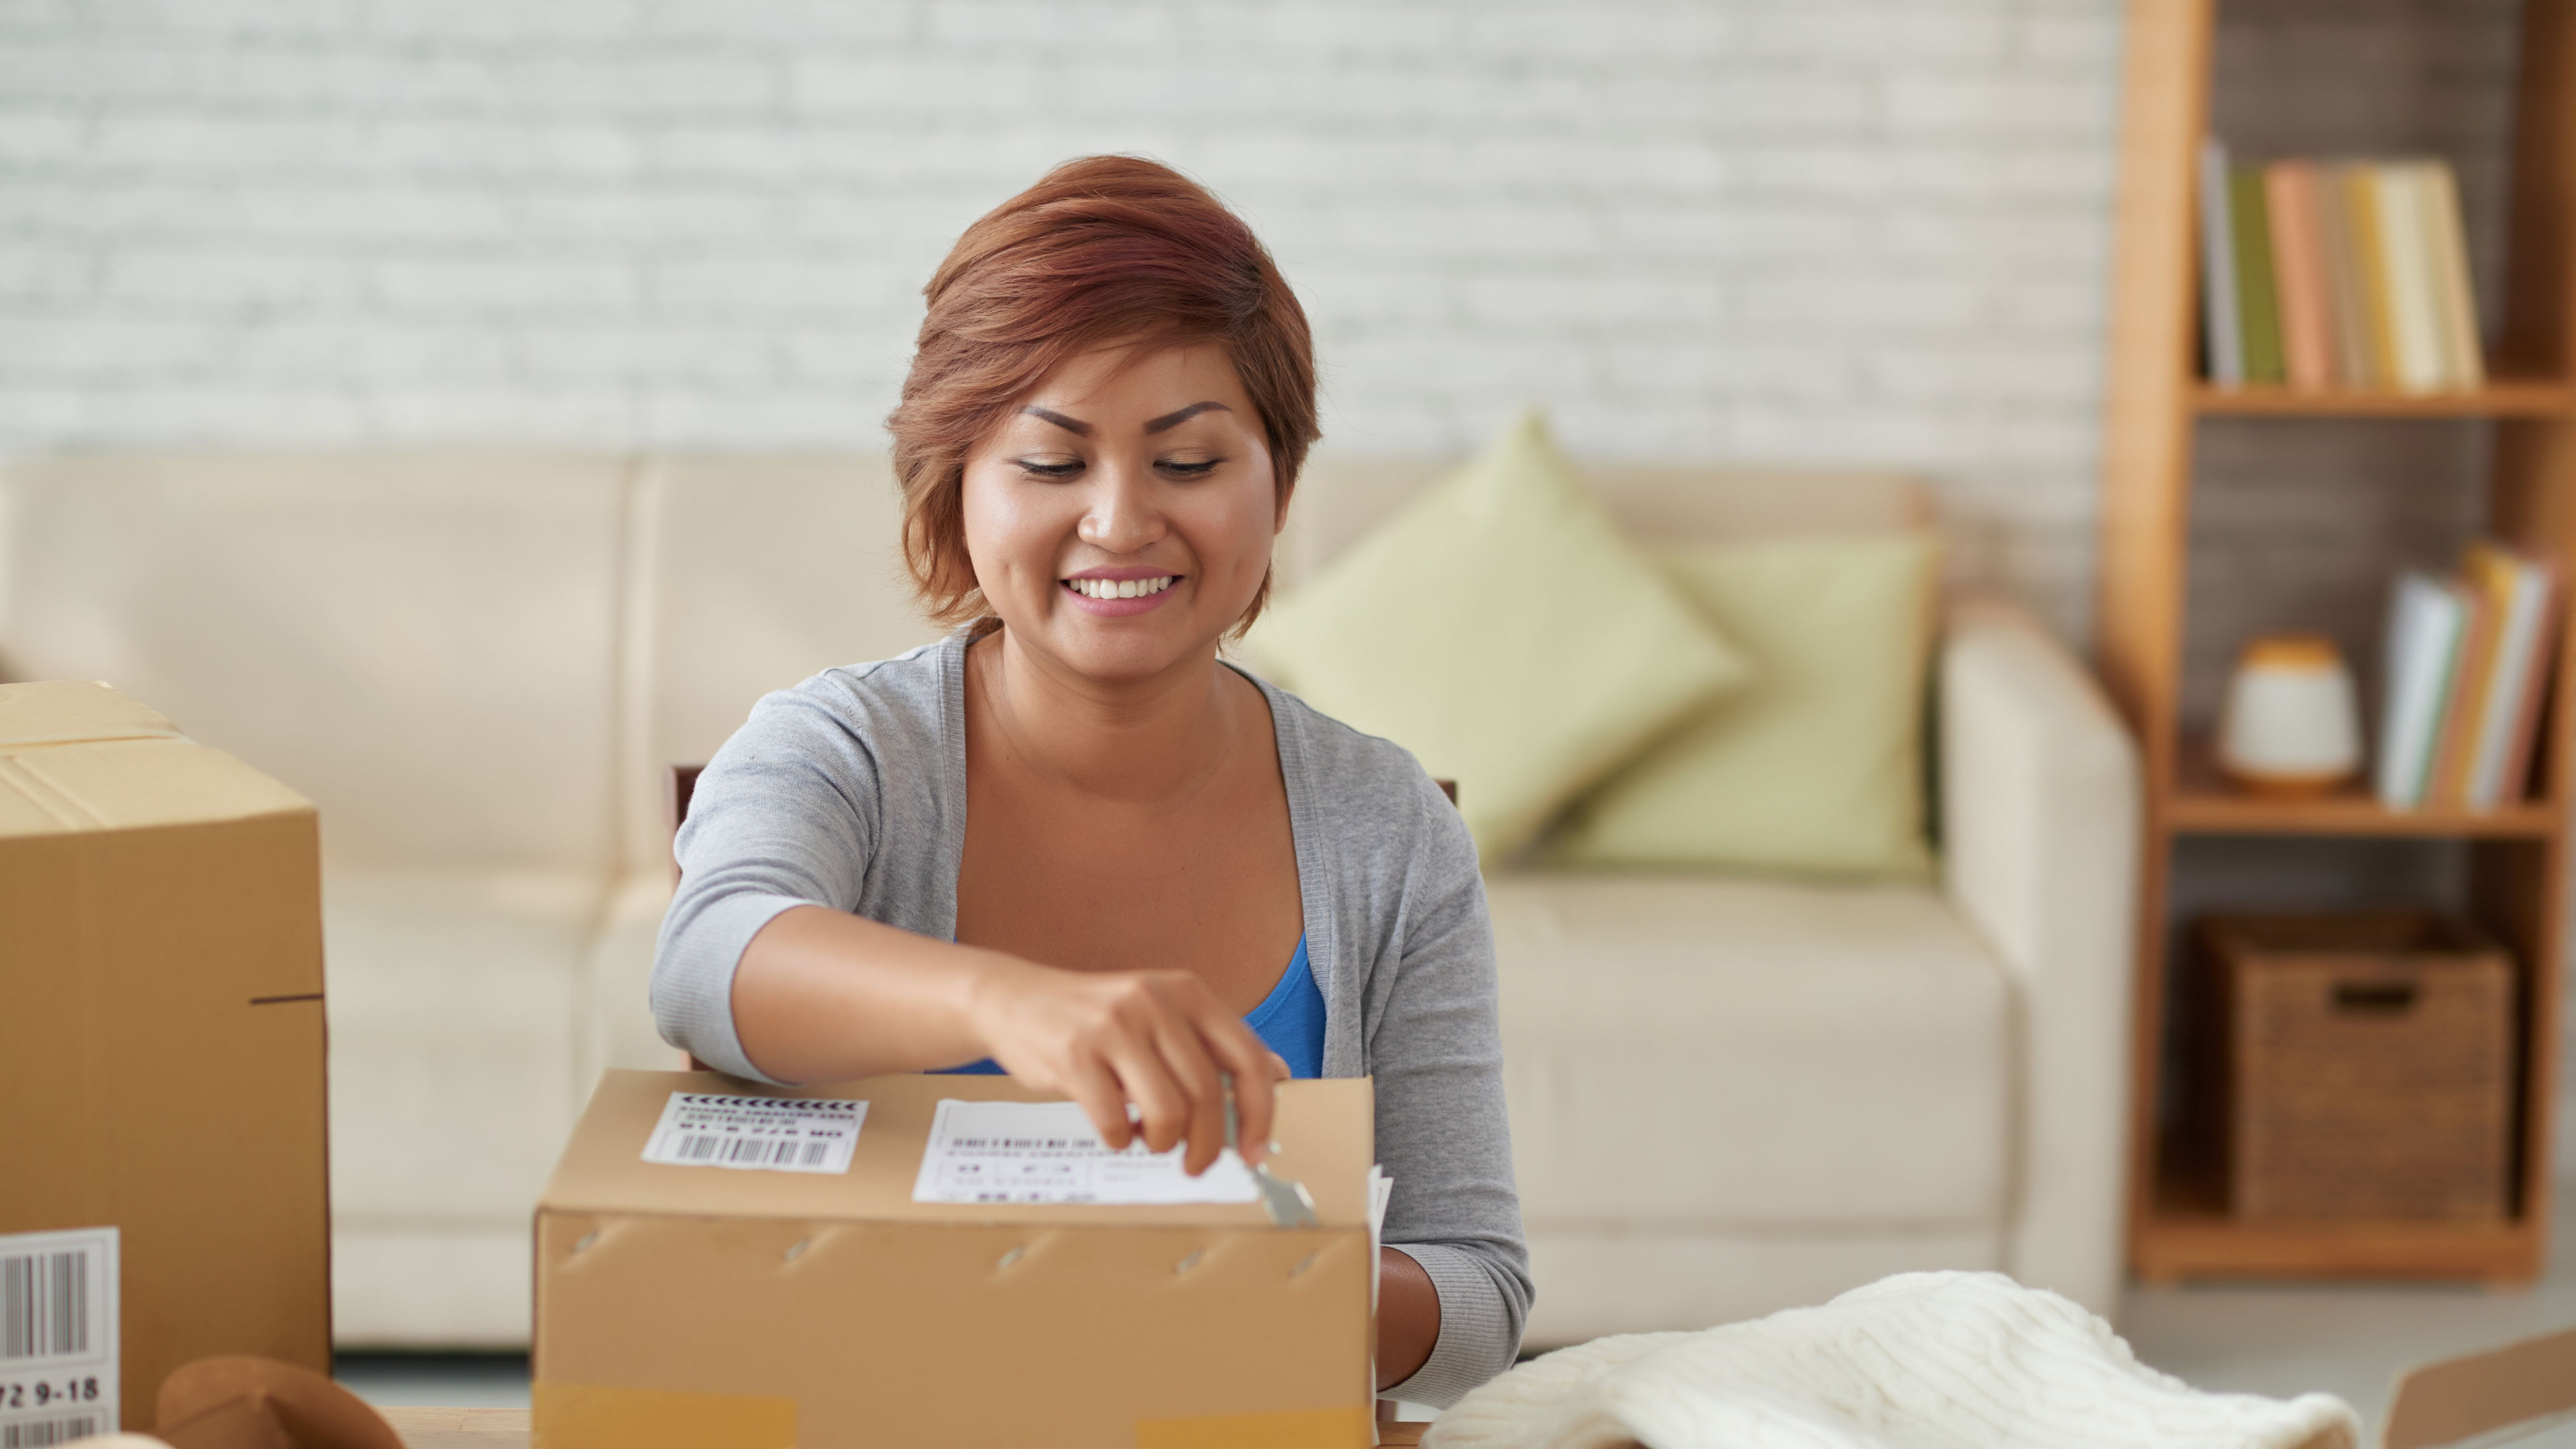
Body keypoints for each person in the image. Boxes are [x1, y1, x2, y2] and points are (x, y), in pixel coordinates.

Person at [651, 155, 1527, 1405]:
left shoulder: (1388, 833)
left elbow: (1478, 1291)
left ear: (1278, 483)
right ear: (956, 489)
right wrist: (1013, 1009)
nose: (1119, 522)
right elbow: (703, 962)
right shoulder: (844, 751)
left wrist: (1217, 1293)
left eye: (1188, 463)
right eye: (1053, 465)